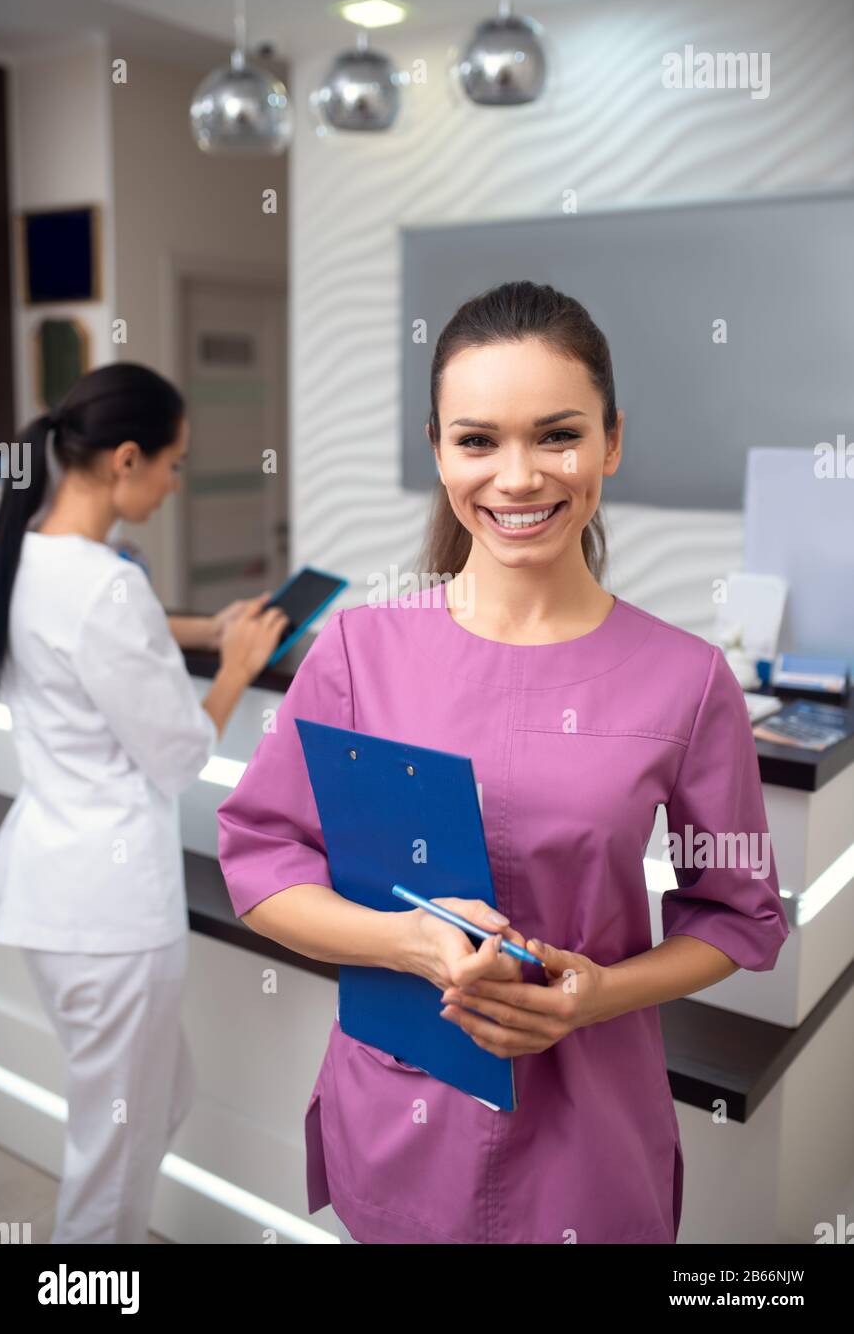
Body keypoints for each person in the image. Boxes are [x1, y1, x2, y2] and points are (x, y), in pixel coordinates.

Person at [216, 282, 790, 1245]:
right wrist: (408, 943)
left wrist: (599, 992)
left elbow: (739, 914)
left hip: (591, 1134)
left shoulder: (688, 682)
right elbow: (263, 865)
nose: (517, 478)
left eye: (557, 435)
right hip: (401, 1117)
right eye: (478, 440)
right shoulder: (358, 652)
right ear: (438, 449)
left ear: (611, 441)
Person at [0, 362, 287, 1243]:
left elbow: (96, 638)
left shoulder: (27, 555)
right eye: (174, 463)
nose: (174, 480)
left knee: (154, 1104)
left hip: (53, 895)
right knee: (110, 1166)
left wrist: (199, 628)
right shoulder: (105, 585)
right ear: (126, 461)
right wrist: (234, 669)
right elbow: (181, 753)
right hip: (110, 917)